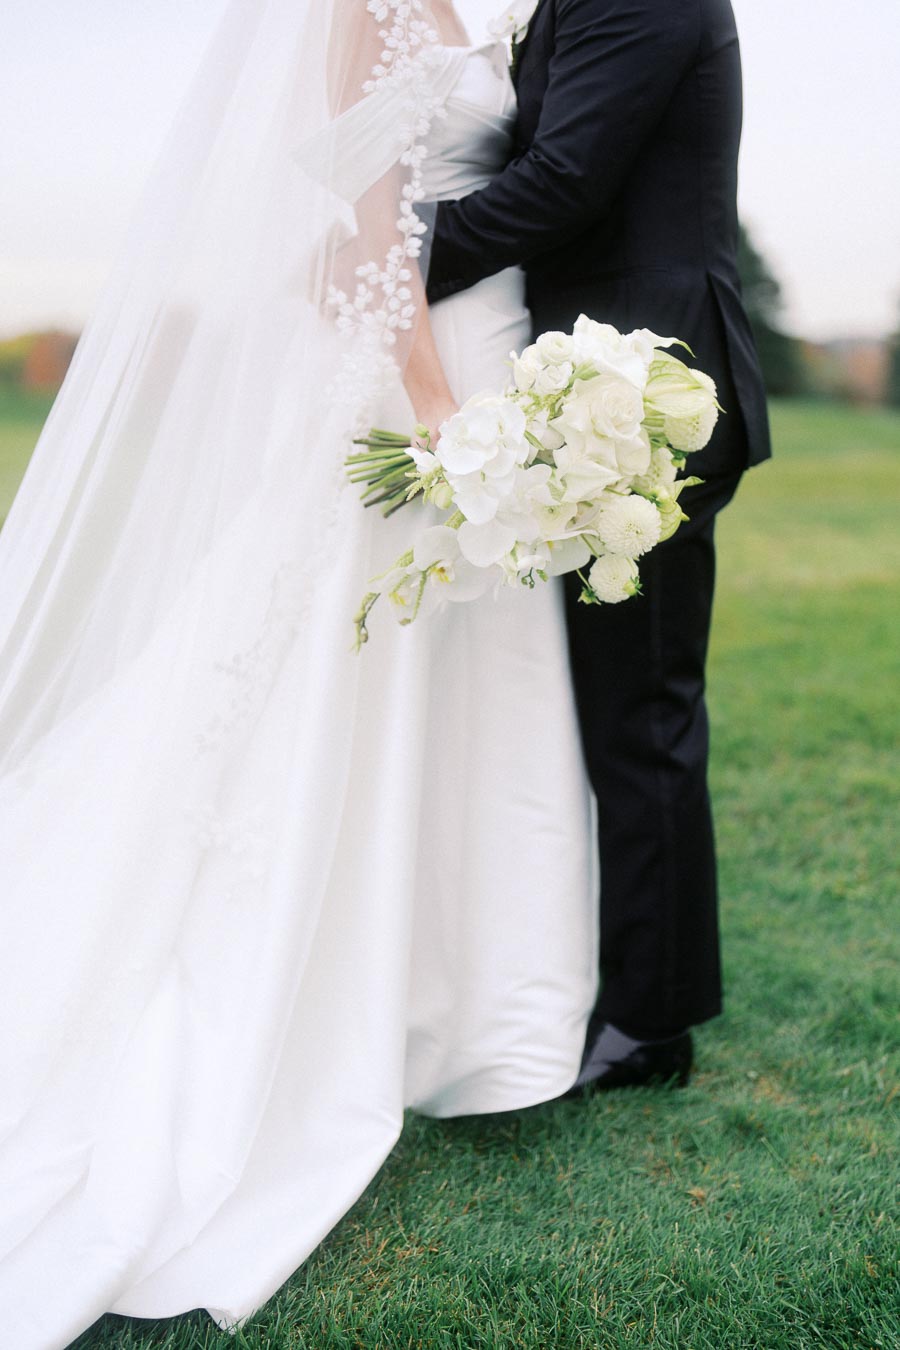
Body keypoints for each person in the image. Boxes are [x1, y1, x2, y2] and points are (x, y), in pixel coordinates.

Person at [0, 2, 602, 1345]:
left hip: (490, 335)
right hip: (410, 367)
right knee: (347, 666)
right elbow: (363, 217)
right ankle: (342, 1004)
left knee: (471, 671)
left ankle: (470, 1004)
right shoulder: (358, 6)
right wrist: (432, 402)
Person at [427, 0, 771, 1089]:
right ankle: (591, 975)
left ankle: (650, 1024)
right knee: (595, 699)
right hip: (580, 369)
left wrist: (390, 268)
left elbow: (568, 178)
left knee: (641, 705)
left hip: (646, 382)